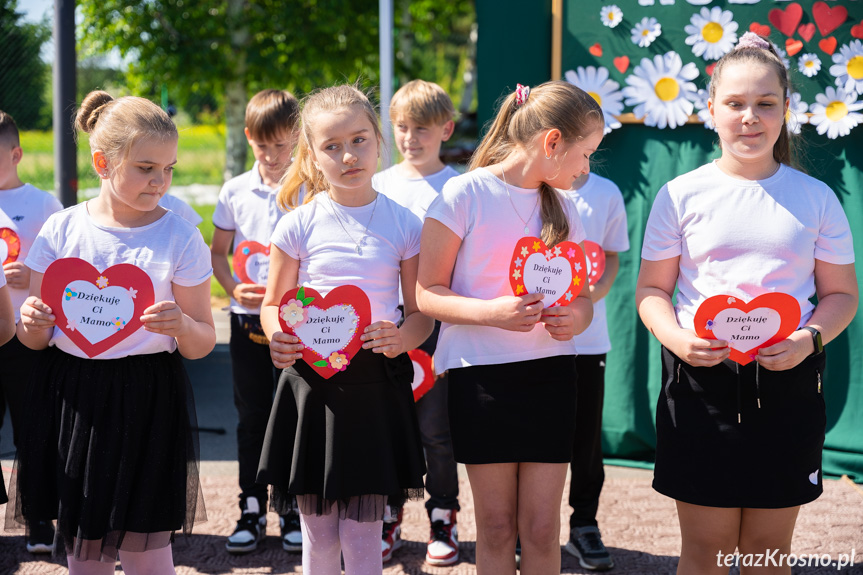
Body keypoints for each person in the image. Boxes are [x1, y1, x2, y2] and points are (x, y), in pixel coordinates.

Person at [635, 32, 857, 574]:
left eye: (765, 104)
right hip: (698, 385)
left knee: (766, 551)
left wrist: (809, 339)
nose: (750, 118)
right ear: (711, 109)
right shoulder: (679, 195)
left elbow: (842, 295)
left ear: (786, 110)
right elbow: (651, 292)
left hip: (789, 385)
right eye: (735, 104)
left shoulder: (816, 198)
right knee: (706, 549)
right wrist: (679, 339)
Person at [7, 90, 216, 575]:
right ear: (103, 162)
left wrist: (183, 325)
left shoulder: (180, 235)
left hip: (148, 399)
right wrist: (32, 324)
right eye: (146, 167)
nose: (160, 181)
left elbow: (203, 340)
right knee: (85, 549)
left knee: (147, 552)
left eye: (169, 169)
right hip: (74, 399)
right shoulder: (61, 230)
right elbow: (33, 339)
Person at [417, 80, 602, 574]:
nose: (586, 169)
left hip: (553, 377)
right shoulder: (464, 193)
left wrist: (574, 318)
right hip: (482, 381)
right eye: (585, 154)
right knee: (496, 527)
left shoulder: (564, 209)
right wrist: (492, 313)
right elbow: (426, 292)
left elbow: (582, 301)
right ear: (553, 142)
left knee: (543, 529)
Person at [257, 84, 430, 574]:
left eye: (358, 140)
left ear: (378, 140)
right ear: (311, 155)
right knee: (317, 532)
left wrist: (402, 339)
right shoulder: (296, 225)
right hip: (310, 389)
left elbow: (421, 315)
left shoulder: (405, 224)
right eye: (331, 146)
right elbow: (273, 305)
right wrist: (277, 336)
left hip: (374, 389)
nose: (348, 155)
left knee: (361, 534)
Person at [371, 79, 461, 566]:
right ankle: (387, 517)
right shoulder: (379, 185)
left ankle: (443, 515)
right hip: (387, 327)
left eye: (422, 128)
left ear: (446, 128)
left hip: (442, 326)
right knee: (389, 426)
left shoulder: (460, 186)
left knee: (436, 431)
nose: (410, 137)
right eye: (402, 127)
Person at [210, 88, 303, 555]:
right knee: (251, 417)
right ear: (249, 138)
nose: (271, 155)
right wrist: (231, 288)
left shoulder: (309, 187)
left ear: (297, 140)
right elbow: (218, 254)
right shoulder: (234, 191)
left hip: (294, 325)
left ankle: (288, 509)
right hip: (247, 322)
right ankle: (250, 506)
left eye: (282, 145)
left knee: (289, 414)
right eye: (263, 145)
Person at [0, 109, 64, 554]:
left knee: (32, 429)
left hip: (27, 336)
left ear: (16, 153)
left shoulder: (44, 205)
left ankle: (38, 518)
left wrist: (32, 278)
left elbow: (66, 270)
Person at [563, 172, 629, 571]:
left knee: (585, 440)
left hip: (588, 343)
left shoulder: (607, 191)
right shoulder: (526, 188)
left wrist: (589, 296)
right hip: (529, 342)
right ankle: (521, 530)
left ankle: (584, 525)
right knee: (532, 440)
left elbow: (612, 257)